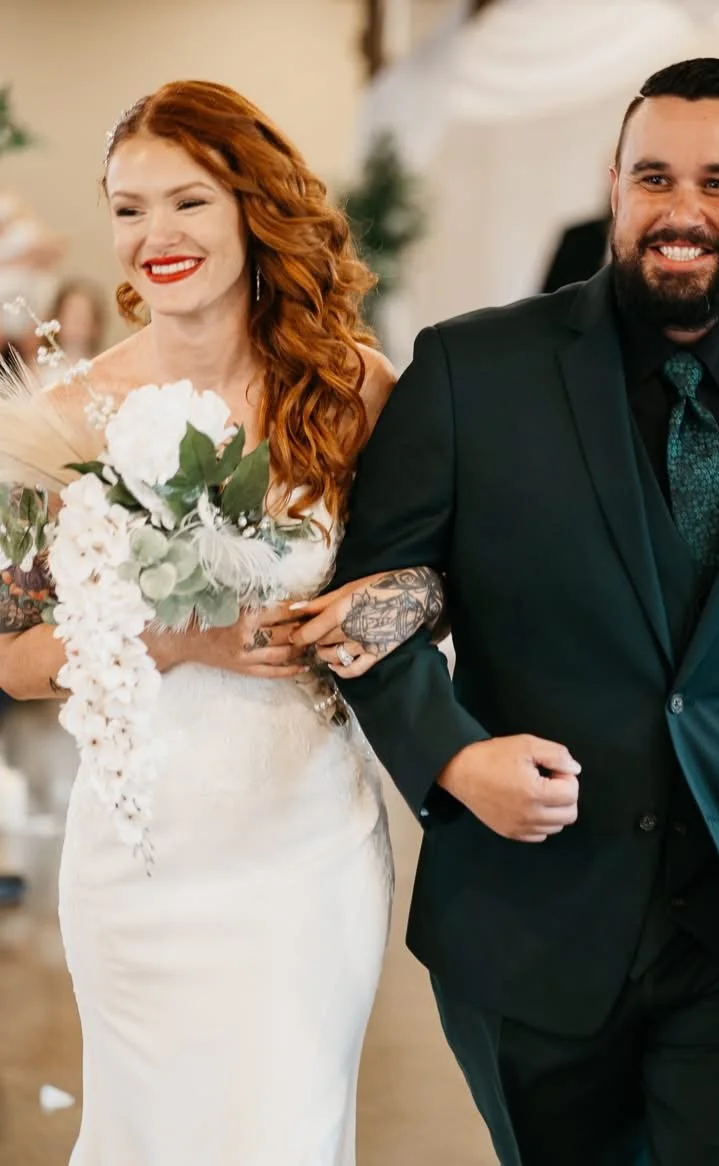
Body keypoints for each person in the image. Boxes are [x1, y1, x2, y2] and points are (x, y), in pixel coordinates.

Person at [298, 58, 719, 1165]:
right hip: (532, 923)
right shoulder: (467, 372)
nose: (681, 210)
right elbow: (363, 606)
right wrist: (451, 757)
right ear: (614, 184)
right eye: (654, 177)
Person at [0, 80, 441, 1166]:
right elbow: (12, 657)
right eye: (127, 207)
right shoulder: (61, 418)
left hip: (305, 849)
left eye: (187, 201)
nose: (155, 235)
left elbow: (435, 591)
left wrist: (351, 614)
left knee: (281, 1130)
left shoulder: (351, 392)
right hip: (138, 862)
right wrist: (181, 640)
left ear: (252, 207)